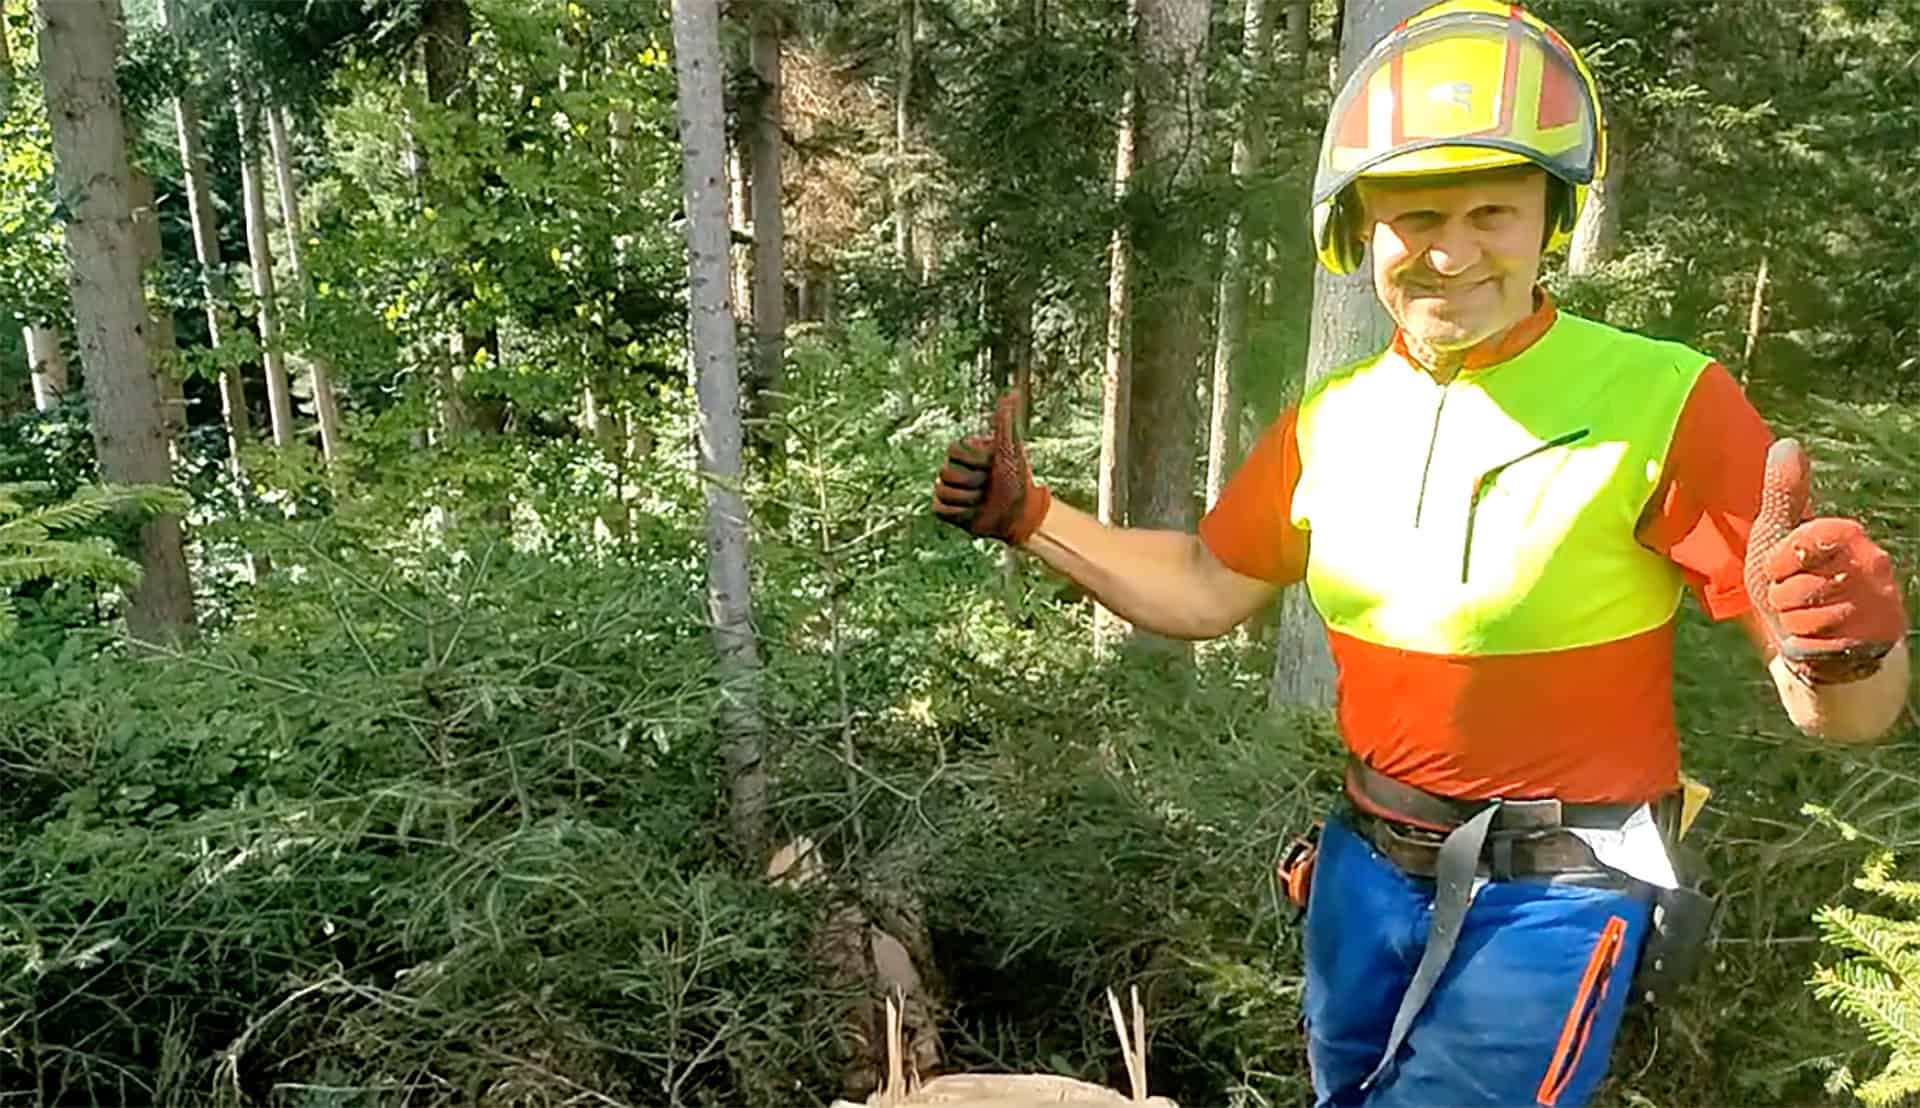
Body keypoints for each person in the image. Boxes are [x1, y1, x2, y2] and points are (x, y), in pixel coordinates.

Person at [929, 1, 1912, 1104]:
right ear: (1359, 230)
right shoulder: (1333, 418)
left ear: (1550, 216)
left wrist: (1846, 654)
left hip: (1560, 892)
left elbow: (1846, 715)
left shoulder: (1664, 399)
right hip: (1363, 870)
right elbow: (1207, 586)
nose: (1452, 250)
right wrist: (1034, 518)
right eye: (1415, 214)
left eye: (1495, 209)